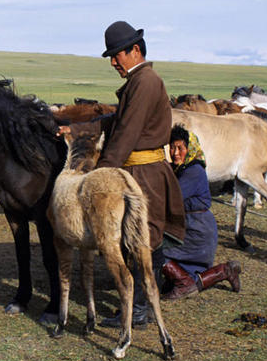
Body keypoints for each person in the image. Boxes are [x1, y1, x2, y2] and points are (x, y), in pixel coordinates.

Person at [68, 21, 186, 327]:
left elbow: (126, 134)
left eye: (117, 54)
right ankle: (141, 305)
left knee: (144, 239)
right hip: (138, 171)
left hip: (144, 173)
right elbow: (113, 121)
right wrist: (76, 128)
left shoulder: (146, 82)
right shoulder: (139, 81)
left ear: (135, 50)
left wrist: (101, 178)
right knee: (137, 239)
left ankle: (141, 308)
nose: (113, 62)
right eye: (110, 56)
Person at [161, 125, 241, 299]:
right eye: (172, 147)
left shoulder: (193, 171)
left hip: (196, 230)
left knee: (156, 251)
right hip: (191, 225)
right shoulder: (181, 168)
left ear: (189, 149)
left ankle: (184, 284)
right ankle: (225, 271)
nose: (175, 153)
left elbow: (172, 198)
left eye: (180, 148)